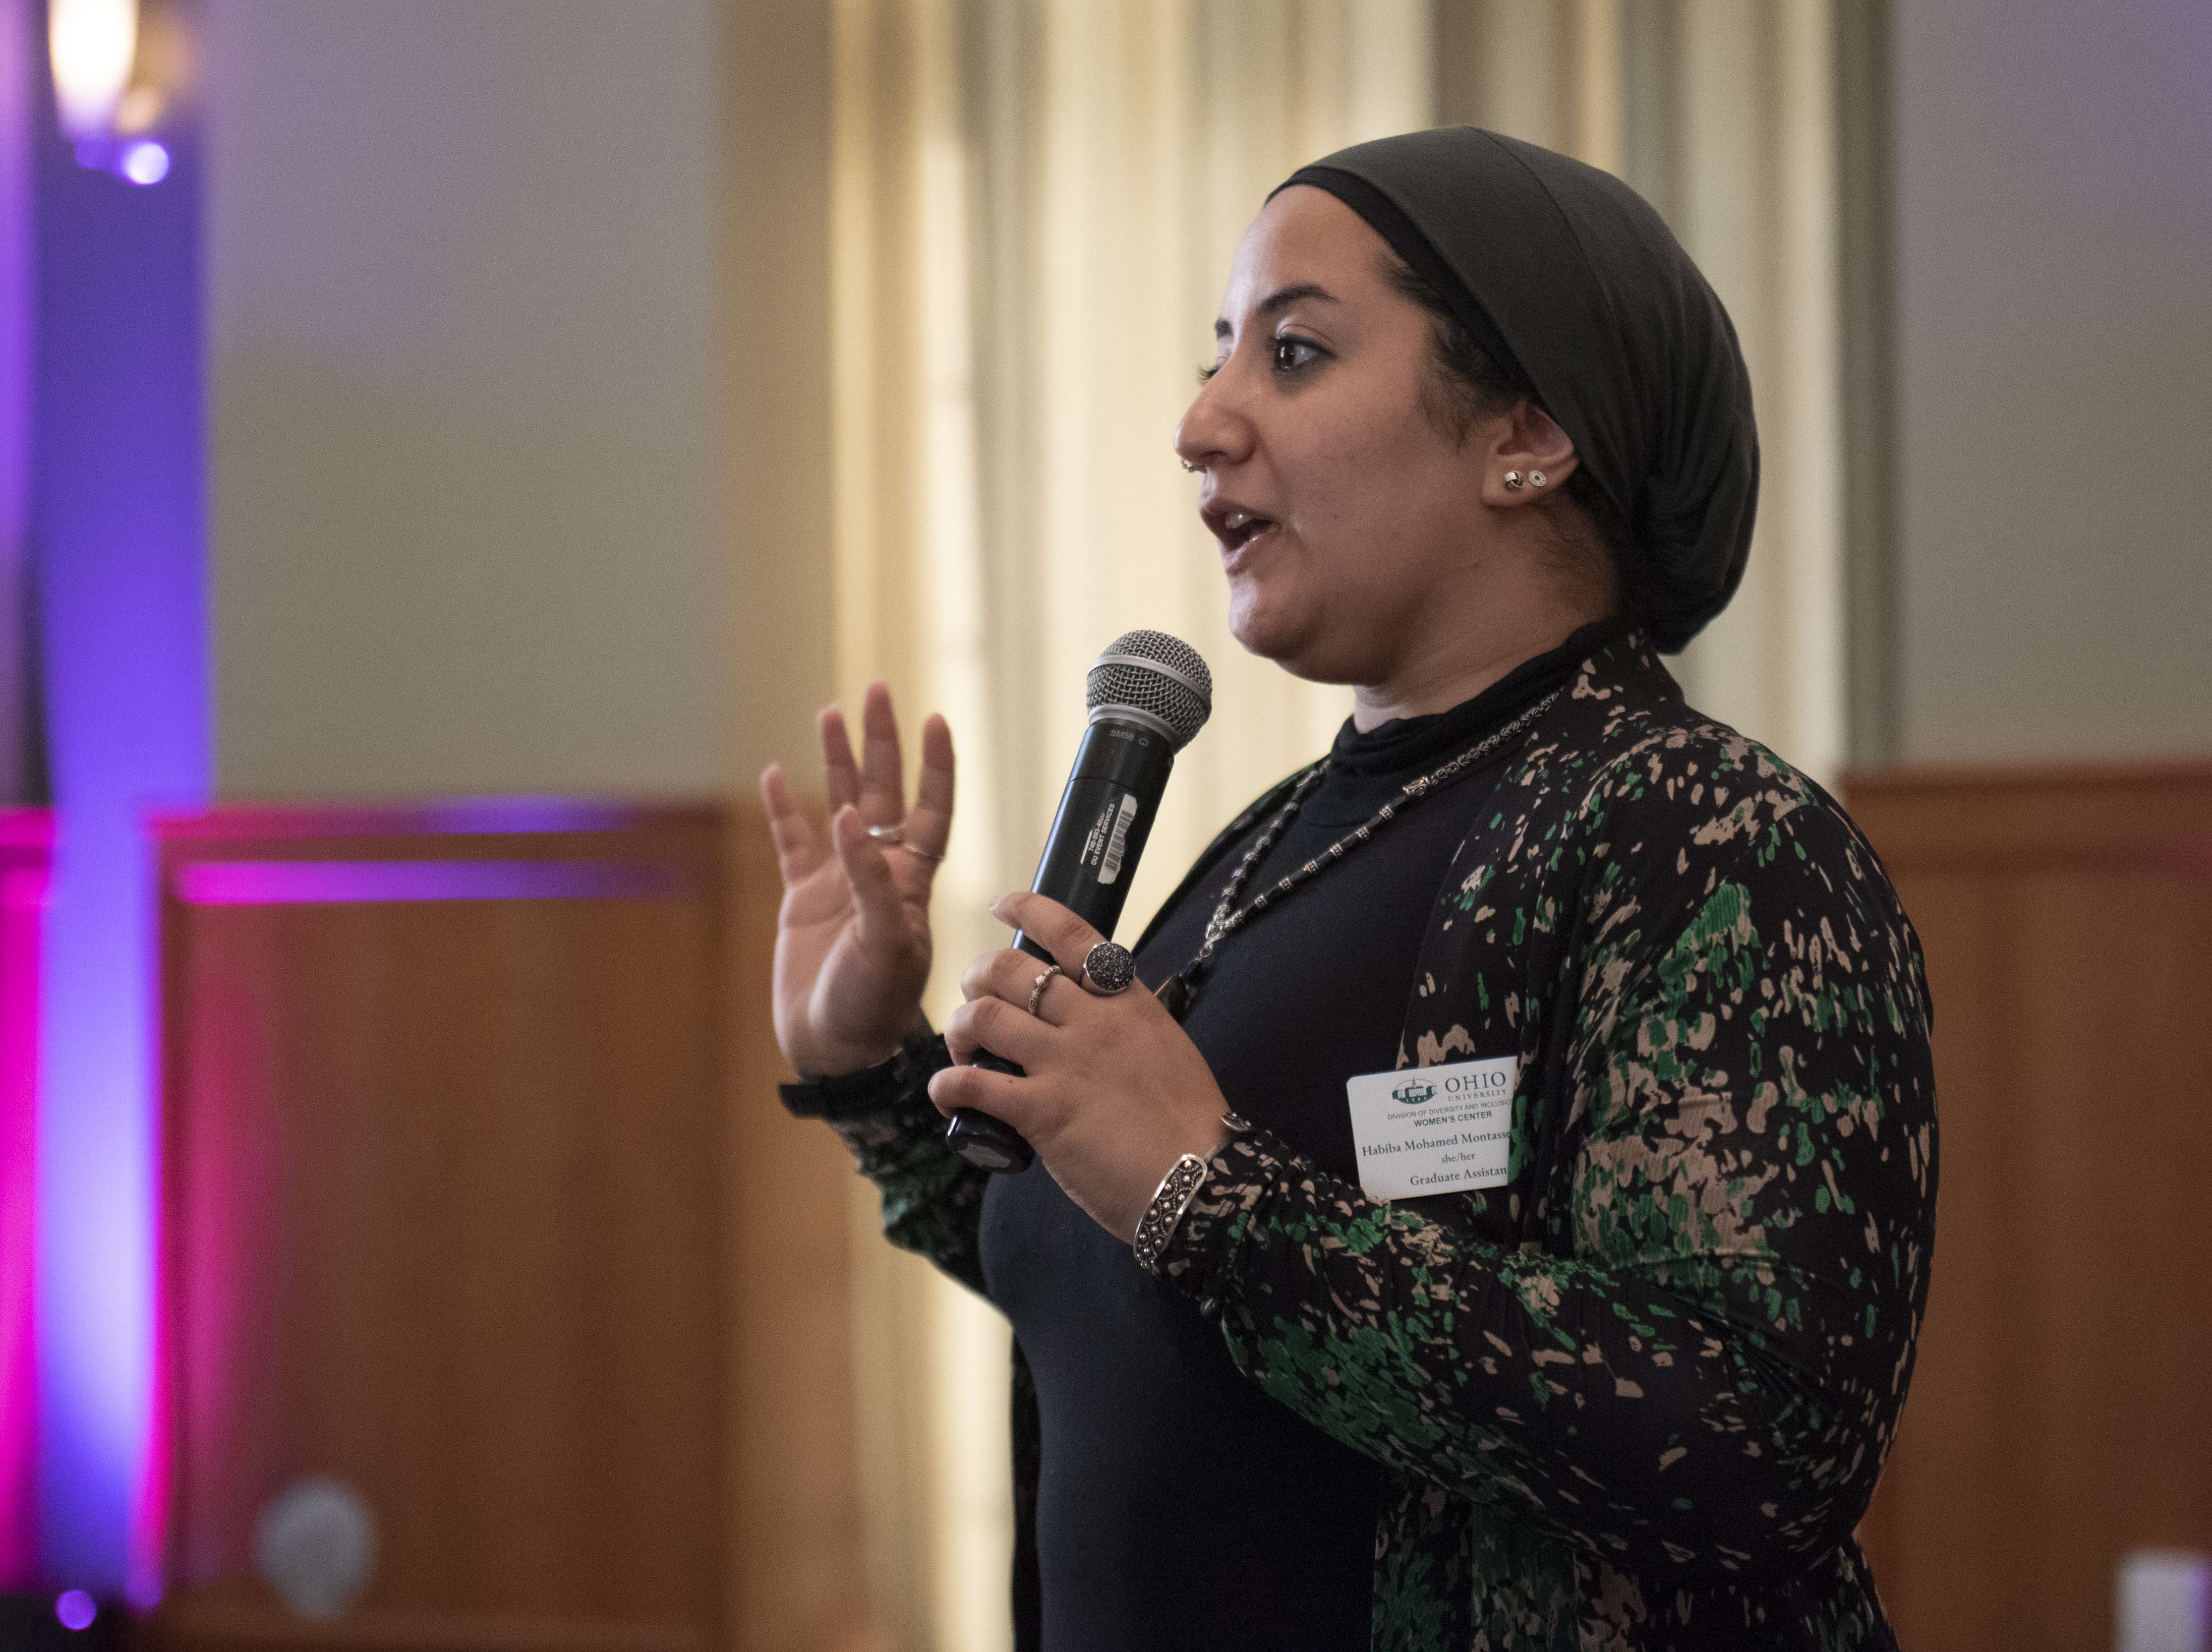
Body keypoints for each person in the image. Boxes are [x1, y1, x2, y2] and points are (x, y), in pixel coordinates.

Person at [760, 127, 1936, 1652]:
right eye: (1215, 356)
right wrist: (867, 1063)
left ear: (1527, 431)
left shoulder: (1707, 835)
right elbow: (1107, 1297)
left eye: (1294, 352)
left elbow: (1754, 1447)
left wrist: (1211, 1192)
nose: (1199, 421)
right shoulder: (1265, 843)